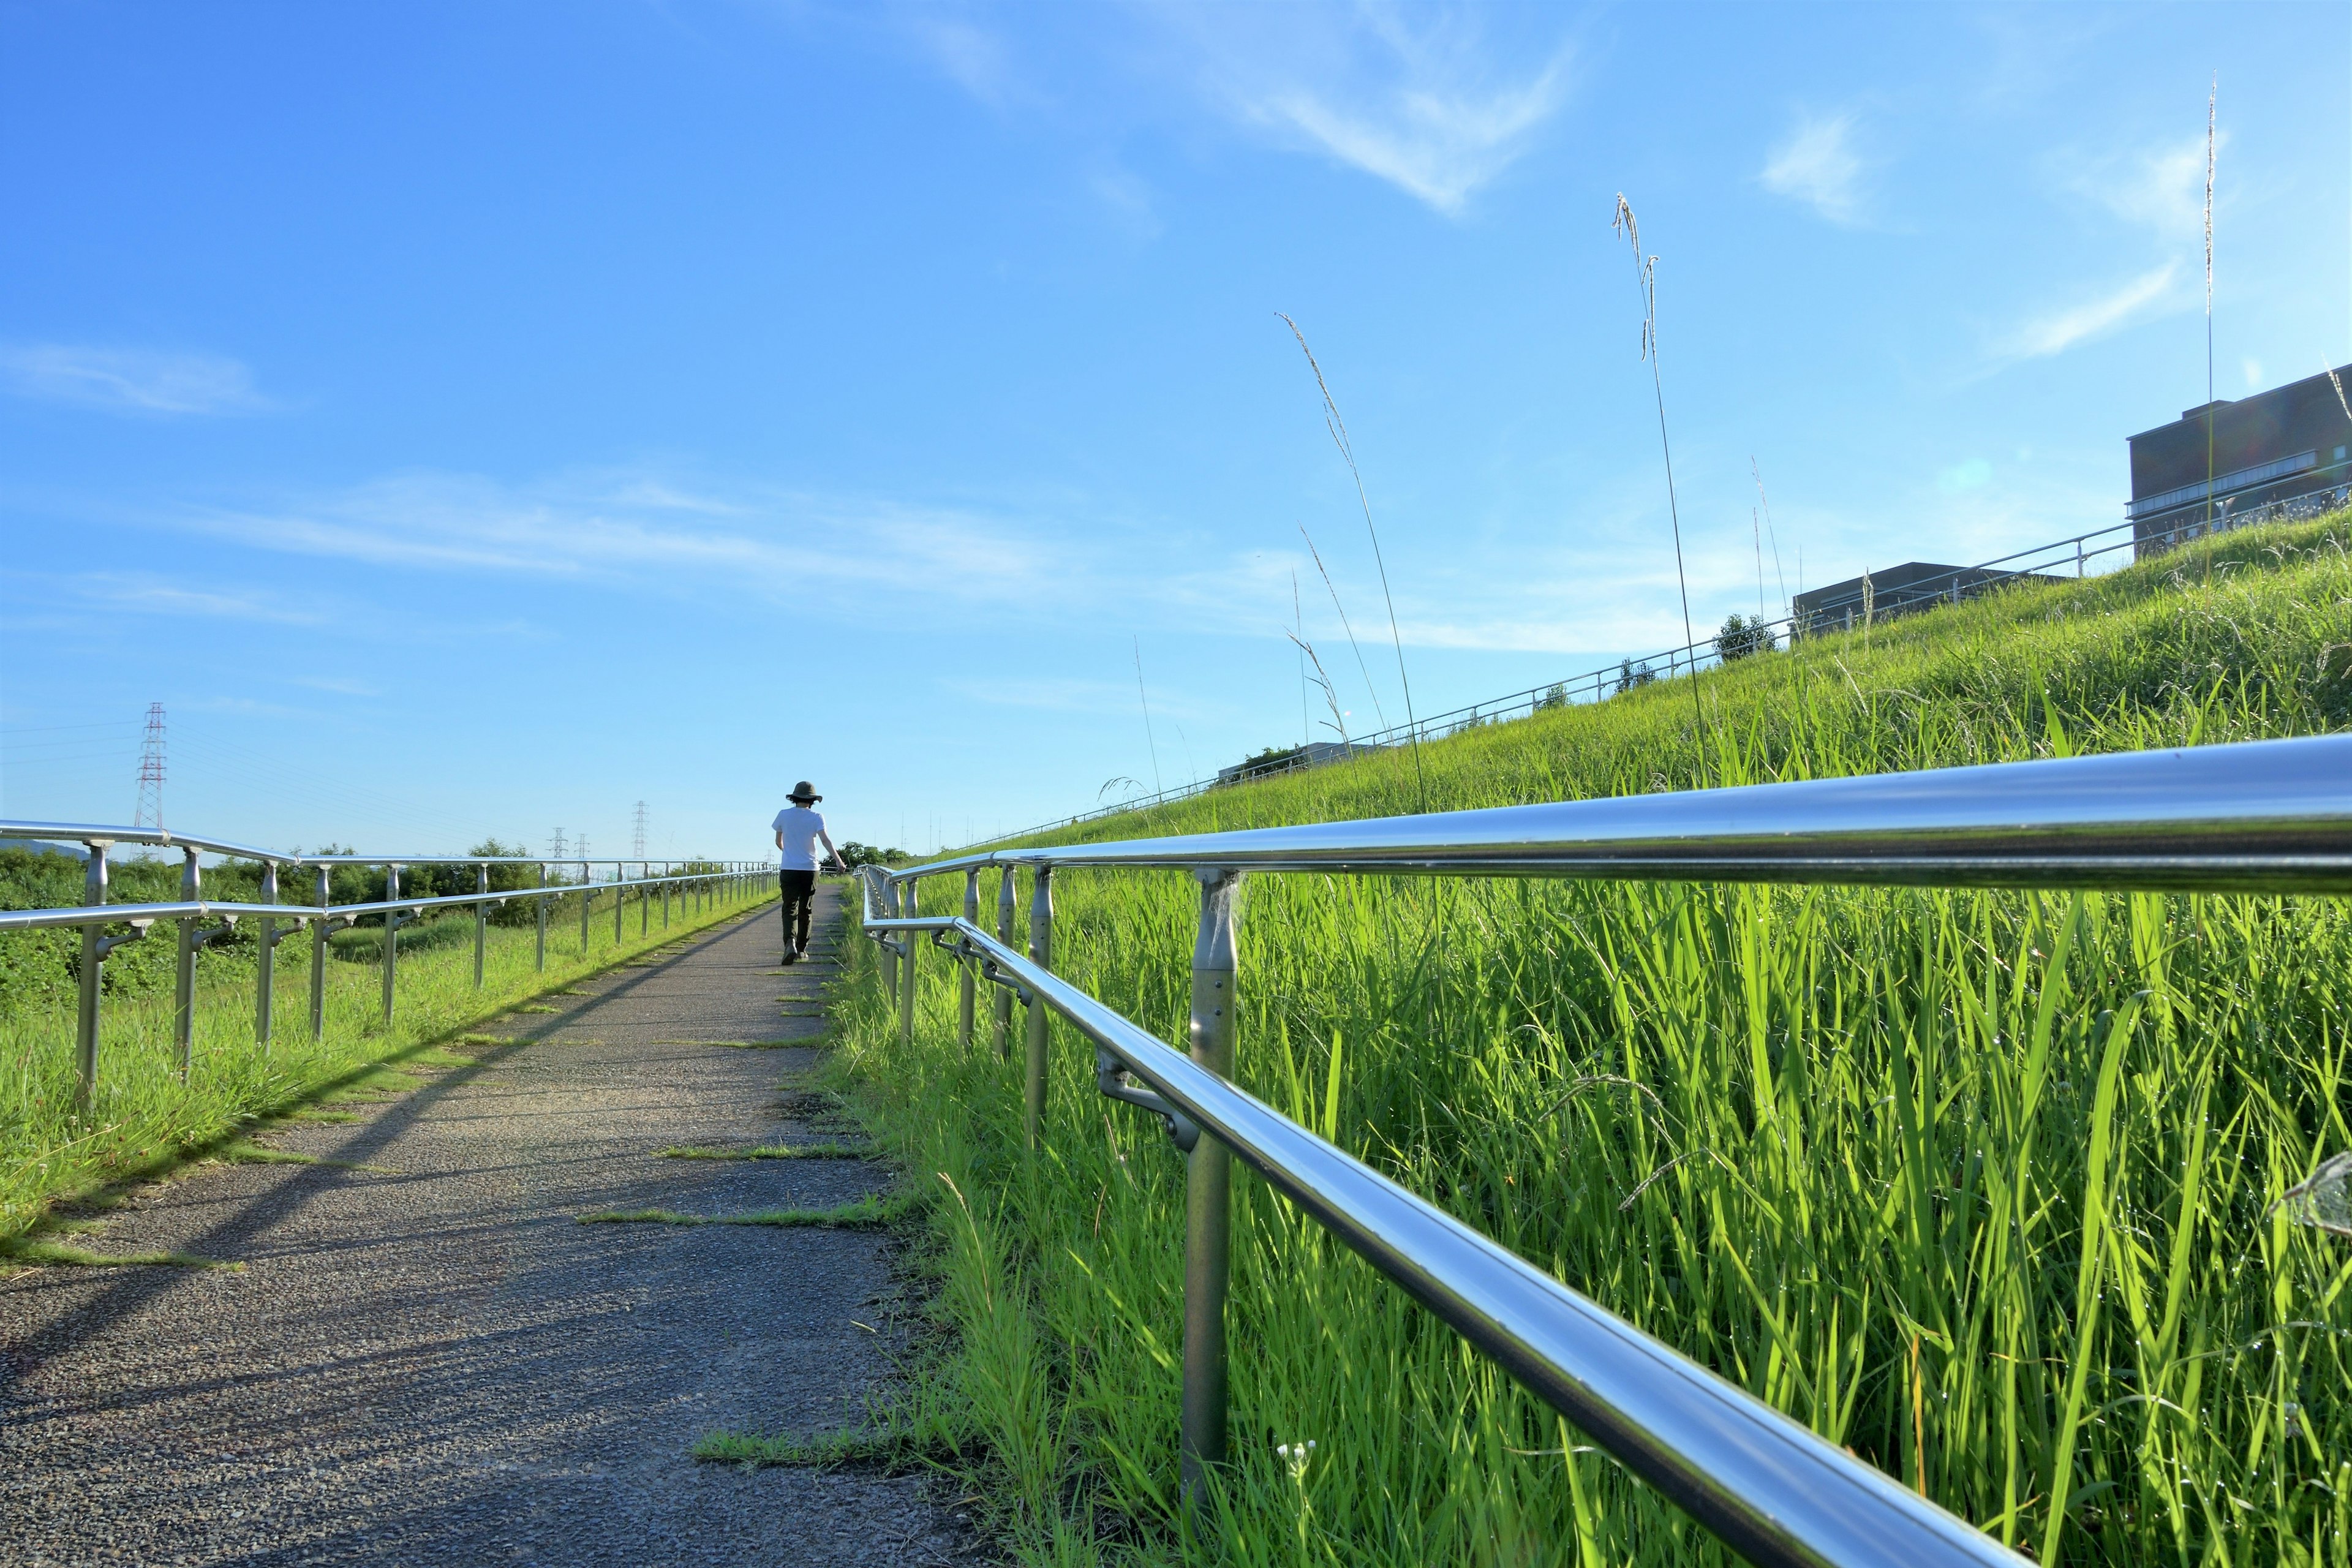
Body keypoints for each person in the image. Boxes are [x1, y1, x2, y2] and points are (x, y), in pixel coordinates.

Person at [771, 782, 840, 962]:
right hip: (810, 869)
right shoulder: (817, 817)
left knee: (789, 907)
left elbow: (779, 842)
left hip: (789, 868)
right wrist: (838, 861)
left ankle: (790, 942)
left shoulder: (784, 815)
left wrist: (788, 851)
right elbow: (825, 841)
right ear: (812, 800)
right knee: (806, 909)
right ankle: (802, 950)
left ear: (794, 798)